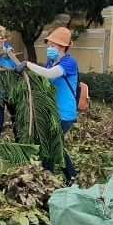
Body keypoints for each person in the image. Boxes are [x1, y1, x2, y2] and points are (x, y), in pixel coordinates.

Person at [24, 27, 79, 184]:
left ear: (63, 47)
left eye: (53, 46)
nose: (50, 48)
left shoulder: (69, 62)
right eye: (49, 45)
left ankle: (69, 176)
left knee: (53, 144)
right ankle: (50, 174)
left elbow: (49, 74)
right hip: (53, 111)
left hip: (65, 113)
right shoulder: (51, 61)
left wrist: (28, 64)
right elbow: (43, 78)